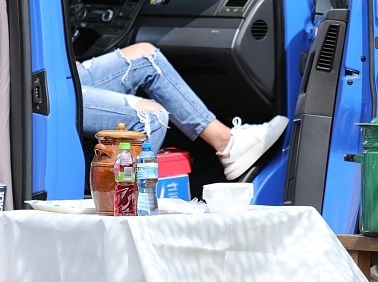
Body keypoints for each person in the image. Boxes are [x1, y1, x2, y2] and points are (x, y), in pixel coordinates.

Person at [77, 42, 288, 181]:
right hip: (50, 89)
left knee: (146, 56)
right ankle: (121, 206)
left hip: (60, 74)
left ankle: (227, 141)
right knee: (151, 117)